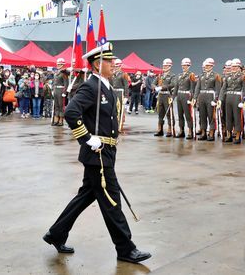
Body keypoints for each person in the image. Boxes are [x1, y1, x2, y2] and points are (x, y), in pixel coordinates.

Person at [44, 43, 151, 264]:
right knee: (112, 201)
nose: (113, 64)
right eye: (109, 61)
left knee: (86, 196)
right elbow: (71, 112)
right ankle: (125, 249)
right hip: (97, 153)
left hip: (106, 152)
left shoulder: (106, 87)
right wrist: (87, 138)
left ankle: (56, 234)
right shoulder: (91, 86)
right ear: (96, 64)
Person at [219, 59, 245, 143]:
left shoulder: (242, 77)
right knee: (228, 117)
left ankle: (238, 136)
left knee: (237, 117)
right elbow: (223, 89)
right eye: (232, 67)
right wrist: (220, 99)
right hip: (228, 97)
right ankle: (229, 135)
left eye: (235, 67)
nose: (233, 68)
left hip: (237, 97)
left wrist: (243, 101)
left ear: (239, 67)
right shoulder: (228, 77)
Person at [193, 58, 222, 141]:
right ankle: (203, 132)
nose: (207, 67)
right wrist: (195, 98)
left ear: (212, 66)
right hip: (202, 96)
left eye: (209, 65)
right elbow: (197, 87)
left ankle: (212, 133)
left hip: (210, 97)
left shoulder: (216, 75)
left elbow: (218, 89)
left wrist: (216, 100)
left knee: (211, 116)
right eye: (206, 65)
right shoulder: (201, 75)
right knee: (202, 115)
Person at [153, 59, 177, 137]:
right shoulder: (160, 75)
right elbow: (153, 83)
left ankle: (170, 129)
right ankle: (160, 129)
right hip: (160, 96)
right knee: (160, 113)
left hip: (167, 95)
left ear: (170, 66)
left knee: (169, 113)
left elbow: (173, 84)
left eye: (166, 66)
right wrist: (155, 87)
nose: (165, 67)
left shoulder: (172, 76)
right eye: (164, 65)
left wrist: (162, 87)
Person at [52, 58, 69, 126]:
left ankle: (61, 119)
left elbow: (66, 83)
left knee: (61, 106)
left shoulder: (64, 72)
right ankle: (56, 118)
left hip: (61, 90)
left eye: (60, 64)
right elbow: (54, 82)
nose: (58, 65)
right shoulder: (57, 72)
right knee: (56, 106)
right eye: (58, 64)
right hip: (56, 90)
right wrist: (53, 90)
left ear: (63, 64)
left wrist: (64, 92)